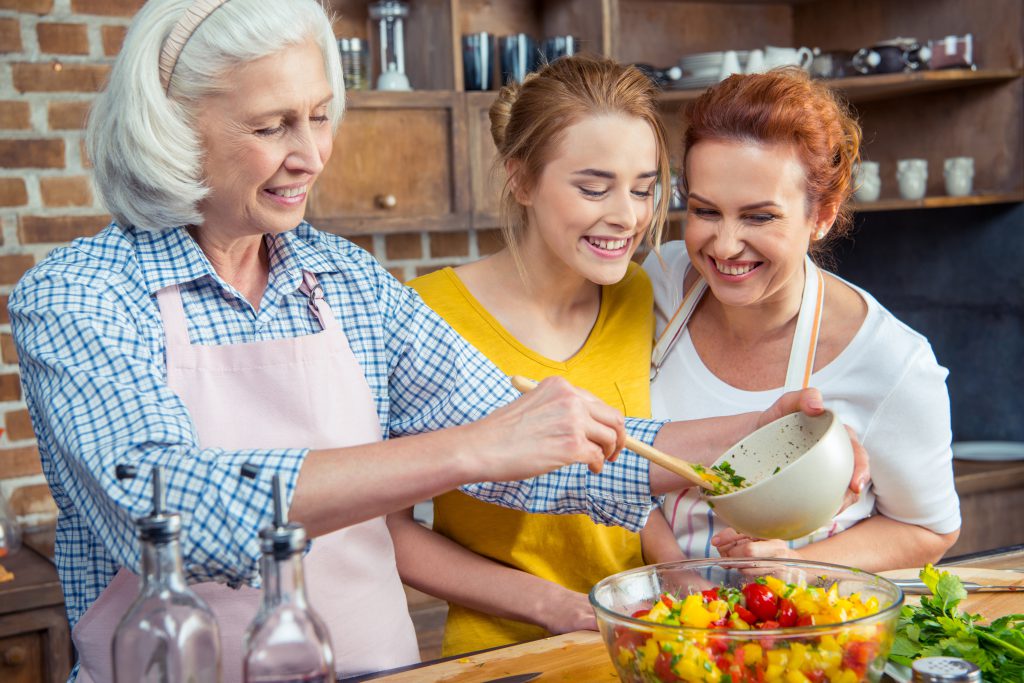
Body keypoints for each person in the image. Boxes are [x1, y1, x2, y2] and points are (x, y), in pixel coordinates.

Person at [8, 2, 837, 681]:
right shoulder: (81, 293)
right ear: (174, 126)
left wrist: (759, 432)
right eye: (273, 126)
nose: (311, 155)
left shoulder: (346, 280)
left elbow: (544, 445)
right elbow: (174, 509)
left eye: (321, 116)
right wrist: (467, 450)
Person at [388, 54, 686, 656]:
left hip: (642, 637)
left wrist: (678, 570)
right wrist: (551, 605)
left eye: (644, 189)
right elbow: (386, 530)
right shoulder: (424, 312)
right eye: (593, 187)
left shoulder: (633, 294)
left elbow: (623, 474)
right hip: (500, 653)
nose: (626, 216)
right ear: (521, 179)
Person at [645, 68, 960, 570]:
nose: (725, 246)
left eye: (759, 217)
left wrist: (800, 567)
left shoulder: (893, 363)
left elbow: (928, 528)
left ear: (823, 215)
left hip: (803, 629)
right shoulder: (653, 283)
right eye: (705, 211)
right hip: (663, 612)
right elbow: (616, 462)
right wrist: (672, 575)